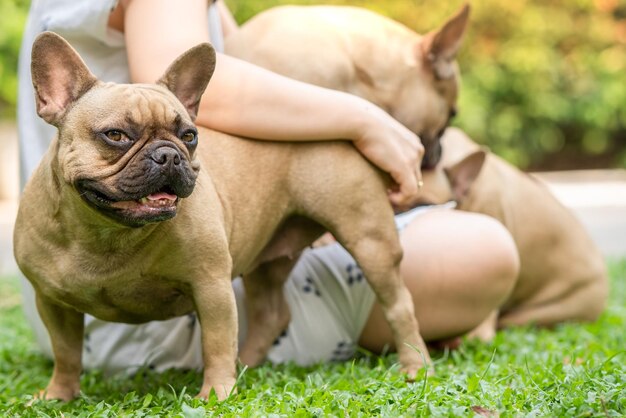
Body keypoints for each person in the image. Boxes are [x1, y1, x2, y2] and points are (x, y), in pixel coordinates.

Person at [17, 0, 519, 373]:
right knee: (485, 245)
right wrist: (366, 119)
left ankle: (274, 330)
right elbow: (196, 77)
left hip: (103, 302)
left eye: (183, 139)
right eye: (117, 138)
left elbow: (214, 65)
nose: (164, 155)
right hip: (147, 325)